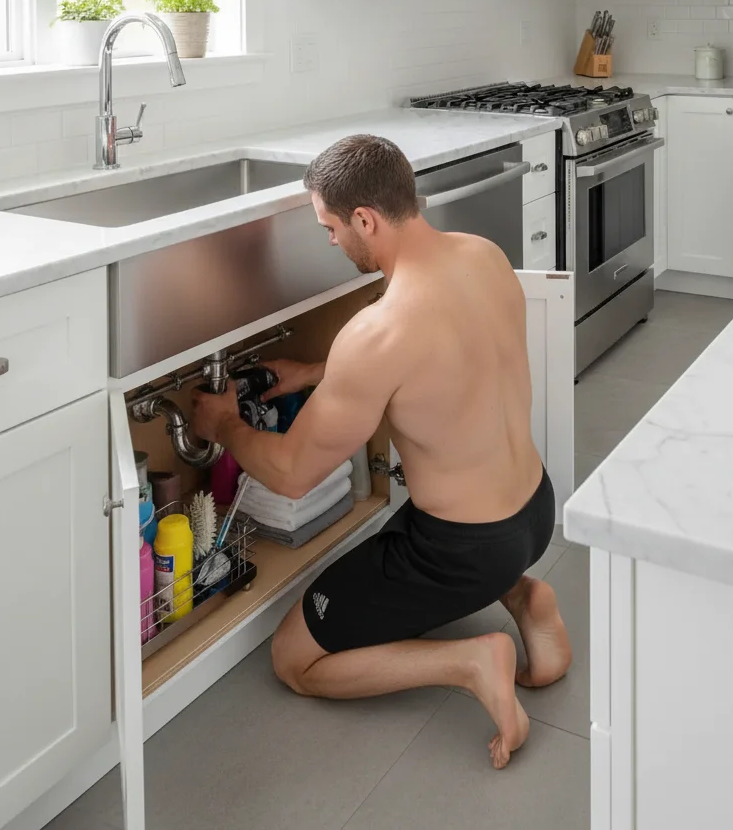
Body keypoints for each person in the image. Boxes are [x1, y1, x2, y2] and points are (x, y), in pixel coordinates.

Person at [191, 133, 571, 769]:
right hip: (533, 510)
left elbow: (290, 473)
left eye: (331, 227)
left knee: (294, 659)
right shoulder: (482, 255)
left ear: (365, 219)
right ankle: (527, 596)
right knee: (460, 530)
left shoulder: (378, 333)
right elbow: (443, 362)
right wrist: (319, 372)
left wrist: (225, 424)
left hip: (458, 551)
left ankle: (472, 661)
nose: (331, 241)